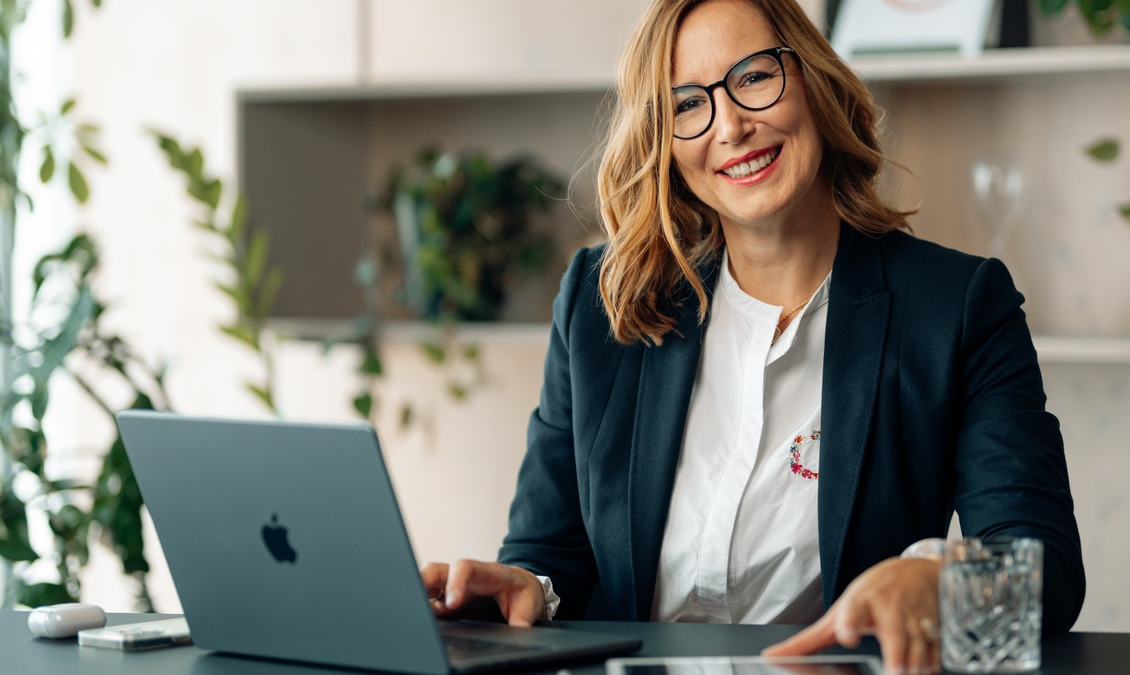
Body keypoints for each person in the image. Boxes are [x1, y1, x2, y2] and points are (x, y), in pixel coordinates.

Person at [421, 0, 1086, 673]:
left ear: (813, 80)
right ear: (666, 143)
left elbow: (1046, 570)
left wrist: (937, 584)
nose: (732, 127)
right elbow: (549, 551)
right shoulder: (601, 300)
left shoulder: (958, 306)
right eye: (687, 105)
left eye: (754, 78)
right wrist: (528, 585)